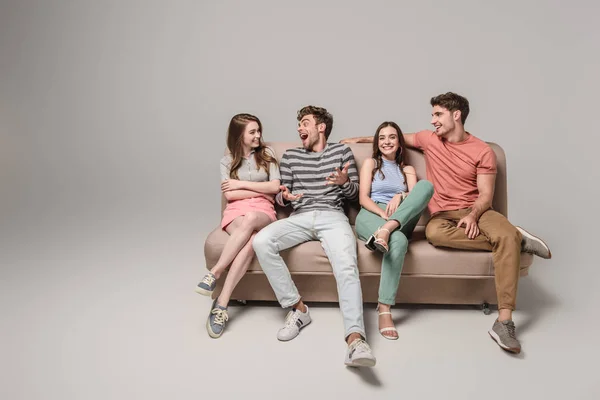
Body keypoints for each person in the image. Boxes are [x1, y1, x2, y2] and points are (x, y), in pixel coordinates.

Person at [342, 92, 552, 354]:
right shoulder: (428, 140)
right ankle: (514, 239)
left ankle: (504, 321)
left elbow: (486, 195)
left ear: (456, 115)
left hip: (477, 211)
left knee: (503, 235)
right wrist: (356, 140)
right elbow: (391, 137)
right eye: (432, 115)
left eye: (438, 114)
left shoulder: (482, 150)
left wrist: (473, 215)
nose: (433, 121)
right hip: (442, 217)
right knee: (437, 234)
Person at [252, 106, 376, 367]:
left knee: (346, 265)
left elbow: (354, 196)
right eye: (298, 124)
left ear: (321, 127)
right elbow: (281, 196)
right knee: (262, 241)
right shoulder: (291, 157)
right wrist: (283, 196)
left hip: (333, 216)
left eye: (305, 123)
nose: (300, 128)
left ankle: (355, 341)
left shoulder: (341, 152)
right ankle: (298, 309)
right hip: (300, 216)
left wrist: (344, 182)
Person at [196, 113, 280, 338]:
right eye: (252, 132)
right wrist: (257, 187)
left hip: (263, 211)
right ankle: (222, 304)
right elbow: (230, 194)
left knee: (252, 219)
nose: (258, 135)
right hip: (235, 213)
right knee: (251, 240)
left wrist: (241, 185)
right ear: (239, 135)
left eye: (259, 130)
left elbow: (274, 188)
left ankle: (215, 273)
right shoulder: (226, 161)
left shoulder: (267, 154)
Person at [355, 121, 434, 340]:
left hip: (400, 217)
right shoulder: (371, 163)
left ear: (399, 143)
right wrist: (382, 216)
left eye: (392, 137)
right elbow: (363, 199)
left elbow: (416, 198)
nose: (386, 141)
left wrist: (400, 196)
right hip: (372, 214)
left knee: (426, 186)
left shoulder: (407, 169)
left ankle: (387, 230)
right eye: (381, 137)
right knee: (398, 241)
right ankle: (384, 308)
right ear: (377, 142)